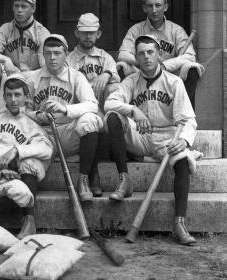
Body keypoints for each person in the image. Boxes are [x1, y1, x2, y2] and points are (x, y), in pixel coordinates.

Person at [105, 34, 197, 245]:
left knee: (182, 160)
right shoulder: (130, 81)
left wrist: (183, 141)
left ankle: (179, 223)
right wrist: (133, 110)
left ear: (158, 54)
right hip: (140, 134)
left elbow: (189, 119)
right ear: (136, 57)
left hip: (166, 137)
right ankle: (124, 179)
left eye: (150, 52)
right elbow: (109, 104)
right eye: (141, 53)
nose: (146, 57)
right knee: (113, 117)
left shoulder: (173, 82)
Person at [0, 74, 54, 239]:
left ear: (26, 97)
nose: (13, 100)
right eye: (9, 95)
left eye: (18, 95)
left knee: (29, 171)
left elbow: (46, 149)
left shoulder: (31, 123)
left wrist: (16, 150)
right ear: (4, 96)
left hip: (12, 180)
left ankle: (27, 220)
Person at [23, 34, 102, 202]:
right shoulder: (32, 78)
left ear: (66, 54)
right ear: (42, 55)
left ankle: (84, 179)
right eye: (48, 53)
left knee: (90, 119)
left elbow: (92, 105)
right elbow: (23, 110)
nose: (52, 58)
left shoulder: (76, 77)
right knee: (28, 164)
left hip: (67, 133)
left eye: (57, 53)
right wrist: (37, 115)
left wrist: (65, 109)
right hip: (42, 134)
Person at [117, 0, 204, 108]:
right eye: (150, 6)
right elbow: (123, 54)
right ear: (144, 8)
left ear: (165, 7)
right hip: (142, 73)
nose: (154, 10)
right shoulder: (136, 29)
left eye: (158, 5)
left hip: (169, 75)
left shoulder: (176, 30)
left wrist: (165, 65)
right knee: (122, 66)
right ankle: (126, 113)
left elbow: (190, 56)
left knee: (191, 68)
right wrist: (145, 62)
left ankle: (183, 114)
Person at [66, 13, 120, 196]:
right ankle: (93, 173)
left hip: (102, 109)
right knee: (89, 120)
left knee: (113, 87)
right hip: (82, 111)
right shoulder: (69, 59)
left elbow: (117, 80)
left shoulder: (105, 57)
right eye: (84, 32)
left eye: (92, 32)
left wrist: (107, 74)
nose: (88, 36)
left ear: (99, 34)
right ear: (76, 33)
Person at [0, 0, 50, 107]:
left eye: (24, 6)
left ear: (33, 8)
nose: (19, 10)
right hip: (10, 74)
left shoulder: (41, 33)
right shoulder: (6, 28)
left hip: (32, 77)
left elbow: (46, 67)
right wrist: (5, 59)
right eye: (16, 6)